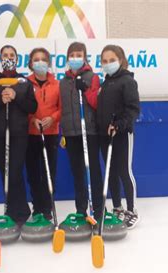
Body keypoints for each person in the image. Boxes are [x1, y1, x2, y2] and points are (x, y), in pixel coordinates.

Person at [0, 45, 37, 226]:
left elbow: (32, 107)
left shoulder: (24, 82)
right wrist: (0, 100)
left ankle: (20, 212)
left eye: (11, 55)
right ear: (0, 58)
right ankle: (11, 211)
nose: (8, 57)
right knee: (4, 173)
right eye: (5, 55)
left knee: (14, 172)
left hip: (19, 135)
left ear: (16, 59)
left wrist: (16, 97)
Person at [97, 44, 141, 229]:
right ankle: (117, 207)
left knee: (124, 170)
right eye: (104, 61)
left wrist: (119, 124)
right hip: (105, 136)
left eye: (112, 60)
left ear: (121, 60)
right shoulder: (105, 83)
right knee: (111, 172)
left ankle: (132, 210)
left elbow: (133, 109)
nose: (108, 64)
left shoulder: (127, 81)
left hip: (122, 135)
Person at [59, 42, 103, 220]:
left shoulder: (93, 77)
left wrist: (84, 89)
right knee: (77, 172)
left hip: (89, 131)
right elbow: (62, 108)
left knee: (92, 171)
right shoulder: (62, 82)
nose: (75, 58)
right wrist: (62, 131)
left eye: (79, 55)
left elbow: (96, 104)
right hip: (70, 133)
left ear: (85, 57)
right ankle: (81, 209)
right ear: (68, 58)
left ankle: (99, 209)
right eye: (72, 55)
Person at [25, 47, 61, 220]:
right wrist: (32, 120)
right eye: (36, 59)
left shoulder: (57, 84)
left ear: (48, 62)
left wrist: (53, 118)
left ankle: (47, 208)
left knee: (48, 171)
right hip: (31, 134)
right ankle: (37, 207)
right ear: (31, 63)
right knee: (33, 172)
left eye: (43, 59)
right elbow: (23, 109)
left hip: (51, 133)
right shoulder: (24, 83)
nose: (40, 62)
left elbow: (62, 109)